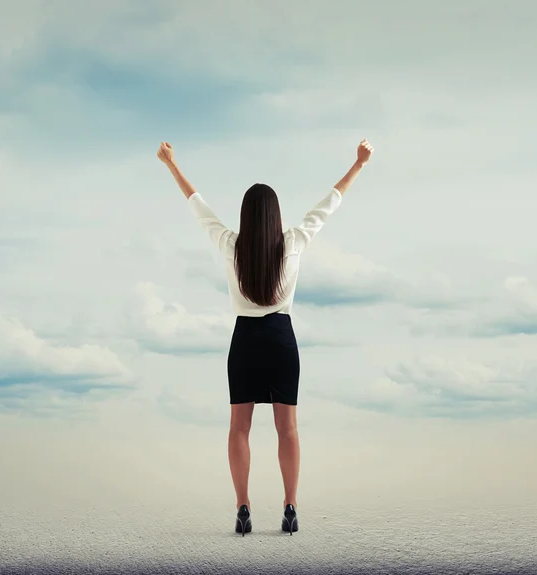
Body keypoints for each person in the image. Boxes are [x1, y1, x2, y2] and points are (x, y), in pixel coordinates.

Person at [157, 138, 374, 536]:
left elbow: (197, 206)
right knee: (286, 429)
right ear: (275, 216)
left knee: (239, 426)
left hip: (244, 340)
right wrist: (358, 164)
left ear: (245, 216)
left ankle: (243, 507)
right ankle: (290, 506)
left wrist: (171, 164)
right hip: (280, 337)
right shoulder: (292, 244)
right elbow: (329, 203)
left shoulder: (230, 246)